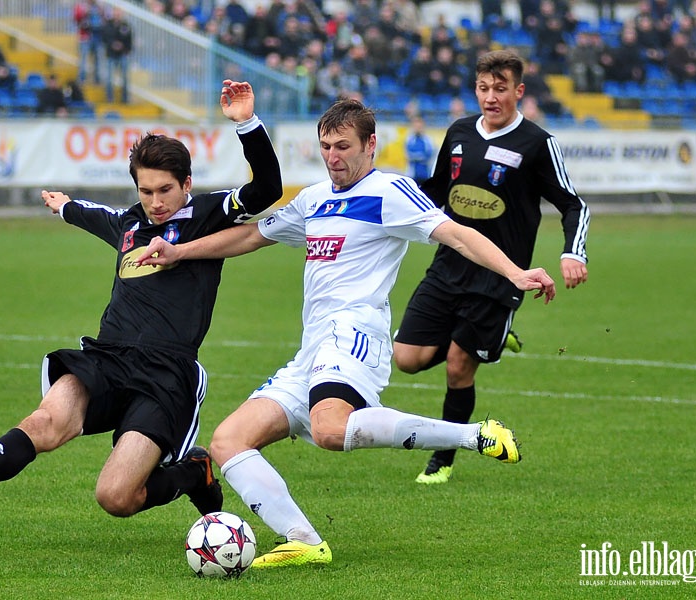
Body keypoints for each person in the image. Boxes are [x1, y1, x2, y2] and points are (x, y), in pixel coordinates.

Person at [134, 98, 557, 567]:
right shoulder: (314, 198)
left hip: (357, 332)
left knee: (330, 428)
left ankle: (472, 434)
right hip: (313, 345)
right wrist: (180, 252)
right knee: (228, 440)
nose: (333, 156)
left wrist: (515, 272)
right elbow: (253, 235)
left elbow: (455, 233)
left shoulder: (391, 190)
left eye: (343, 146)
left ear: (370, 145)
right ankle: (305, 541)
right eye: (325, 146)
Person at [0, 80, 284, 523]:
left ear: (187, 183)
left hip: (165, 374)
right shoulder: (130, 222)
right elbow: (95, 215)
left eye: (165, 190)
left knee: (116, 497)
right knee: (46, 422)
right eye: (146, 190)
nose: (155, 202)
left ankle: (192, 473)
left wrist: (246, 123)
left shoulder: (208, 215)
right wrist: (63, 206)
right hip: (107, 357)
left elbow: (268, 187)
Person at [394, 49, 589, 486]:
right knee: (406, 359)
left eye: (501, 88)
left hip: (502, 275)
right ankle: (497, 338)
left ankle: (442, 461)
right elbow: (436, 190)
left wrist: (573, 252)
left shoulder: (537, 144)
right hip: (448, 265)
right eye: (484, 88)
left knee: (458, 366)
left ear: (518, 90)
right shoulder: (460, 132)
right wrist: (387, 197)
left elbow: (573, 204)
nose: (491, 96)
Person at [103, 7, 133, 103]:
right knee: (109, 78)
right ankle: (110, 98)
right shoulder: (108, 25)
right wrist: (112, 44)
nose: (117, 13)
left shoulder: (126, 26)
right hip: (111, 55)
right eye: (115, 11)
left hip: (122, 54)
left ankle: (124, 99)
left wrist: (124, 48)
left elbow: (129, 40)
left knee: (125, 78)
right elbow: (105, 39)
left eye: (119, 11)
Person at [404, 114, 435, 185]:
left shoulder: (427, 140)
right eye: (416, 125)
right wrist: (419, 156)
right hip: (412, 174)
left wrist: (417, 157)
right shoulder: (409, 139)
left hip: (425, 174)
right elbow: (408, 155)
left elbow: (429, 155)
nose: (417, 127)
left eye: (419, 125)